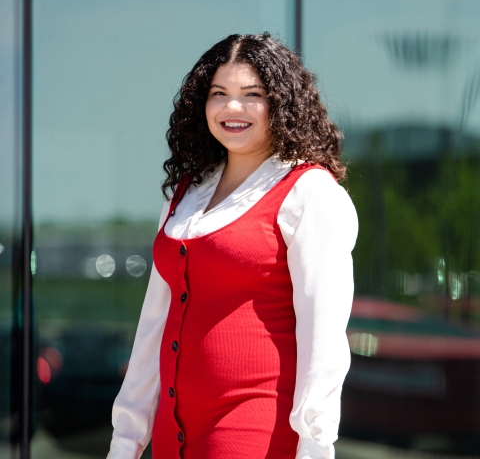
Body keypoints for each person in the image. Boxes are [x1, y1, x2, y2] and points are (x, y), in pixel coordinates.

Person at [106, 33, 358, 459]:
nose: (232, 107)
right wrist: (127, 440)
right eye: (218, 93)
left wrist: (315, 447)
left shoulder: (310, 192)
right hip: (174, 435)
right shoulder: (184, 195)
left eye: (251, 94)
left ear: (280, 102)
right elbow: (153, 327)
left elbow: (324, 340)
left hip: (252, 432)